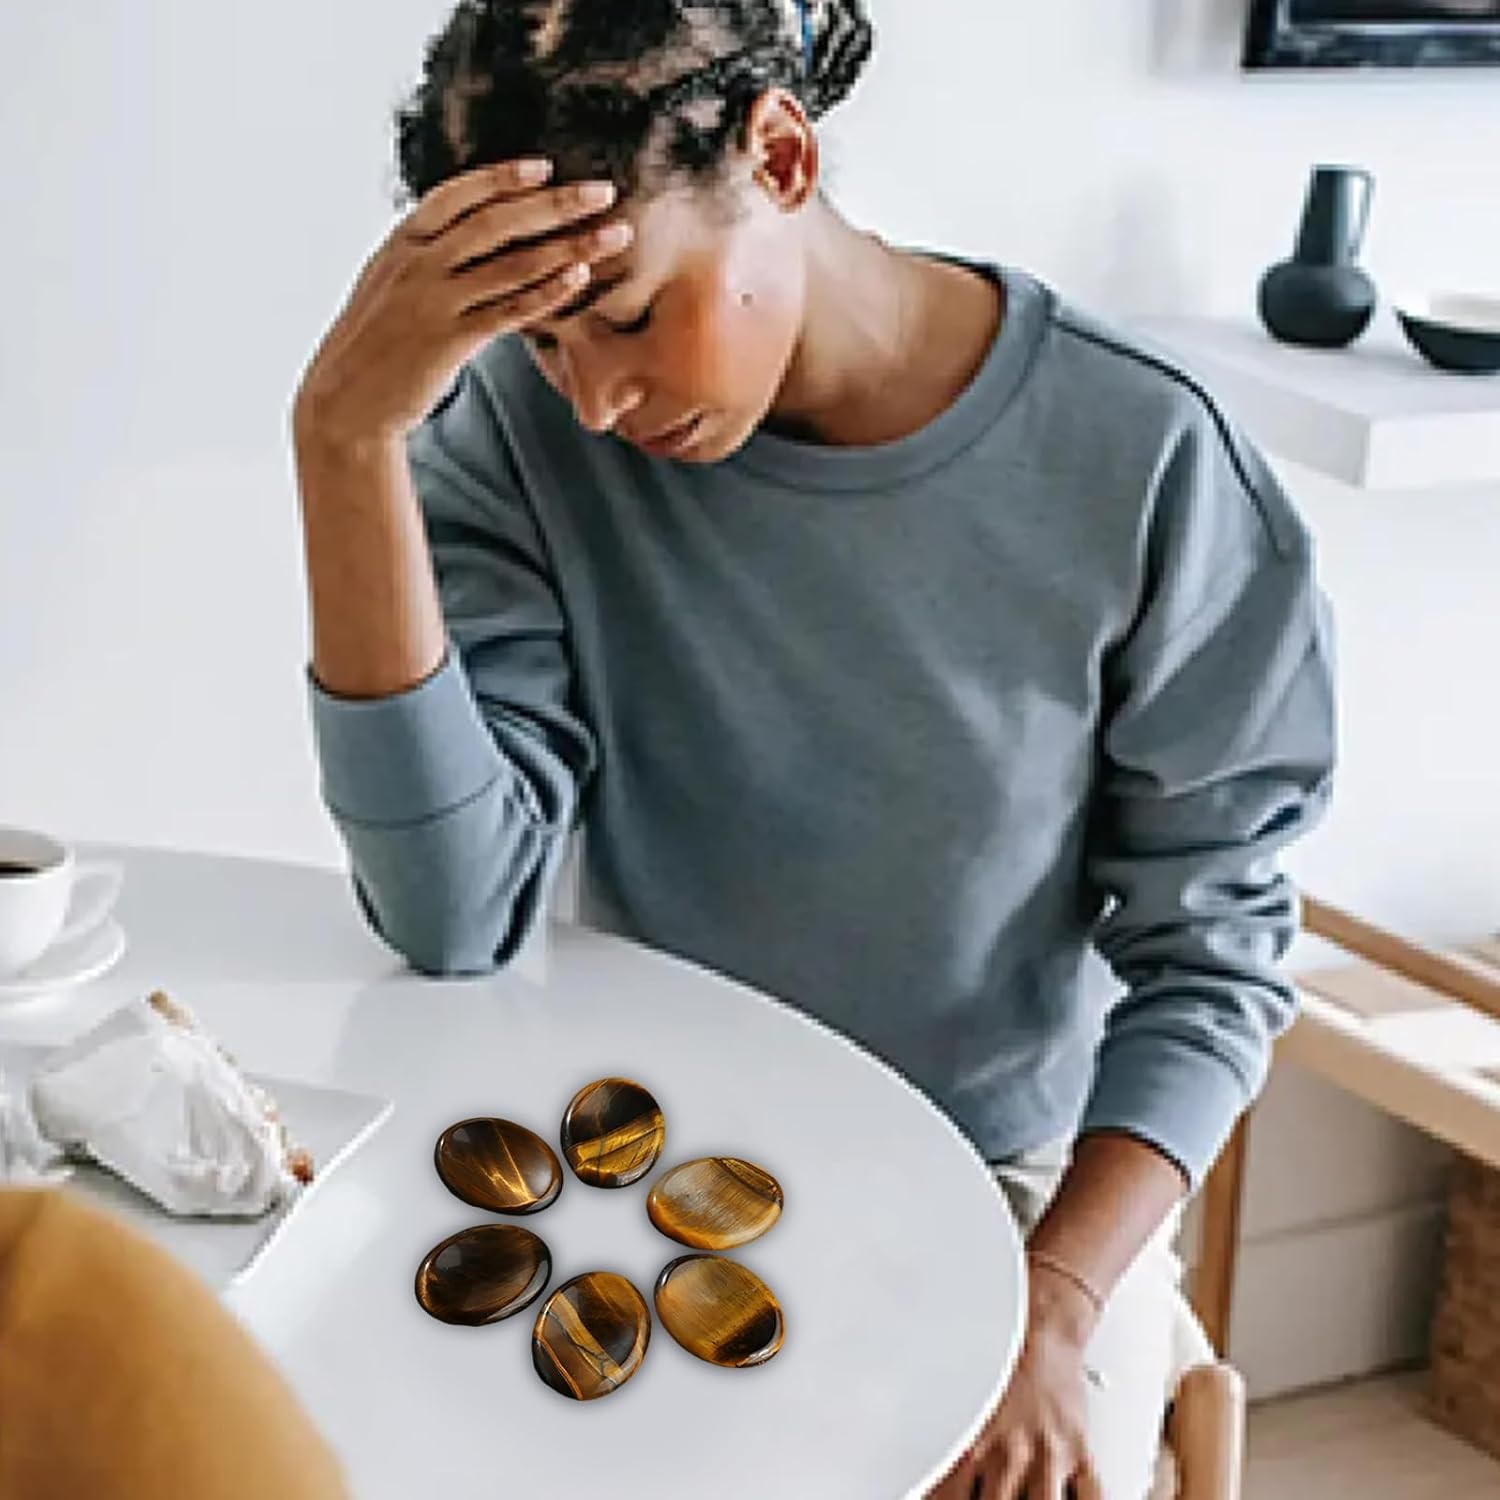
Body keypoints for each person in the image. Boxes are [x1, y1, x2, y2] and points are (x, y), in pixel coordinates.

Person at [290, 3, 1338, 1496]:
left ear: (781, 156)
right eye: (539, 336)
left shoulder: (1149, 460)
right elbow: (458, 914)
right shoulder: (525, 436)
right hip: (640, 1152)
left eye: (633, 313)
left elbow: (1215, 964)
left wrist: (1052, 1304)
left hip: (1007, 1191)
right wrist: (346, 441)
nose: (594, 395)